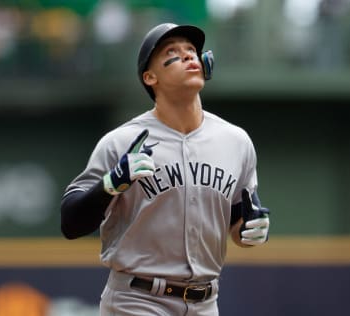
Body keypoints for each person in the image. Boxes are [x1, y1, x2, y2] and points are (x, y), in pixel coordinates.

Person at [60, 22, 270, 316]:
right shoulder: (121, 142)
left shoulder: (235, 141)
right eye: (172, 52)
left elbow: (239, 220)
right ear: (150, 77)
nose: (187, 56)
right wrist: (111, 184)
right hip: (137, 300)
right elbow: (71, 223)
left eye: (191, 50)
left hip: (206, 303)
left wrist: (251, 228)